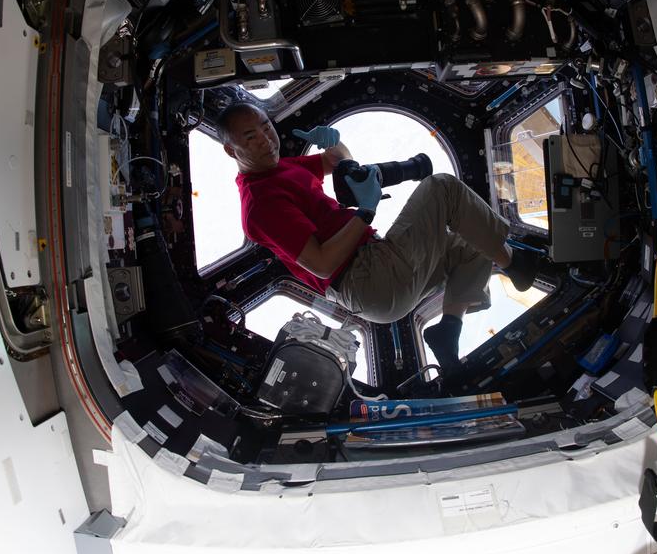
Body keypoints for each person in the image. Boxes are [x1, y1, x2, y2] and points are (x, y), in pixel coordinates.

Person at [218, 101, 538, 373]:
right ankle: (514, 265)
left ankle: (448, 330)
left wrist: (332, 142)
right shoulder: (260, 204)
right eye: (251, 136)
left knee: (474, 240)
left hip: (381, 281)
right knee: (442, 187)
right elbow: (323, 265)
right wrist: (365, 212)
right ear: (232, 150)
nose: (266, 139)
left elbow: (337, 161)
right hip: (363, 279)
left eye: (266, 127)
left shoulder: (284, 168)